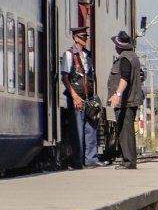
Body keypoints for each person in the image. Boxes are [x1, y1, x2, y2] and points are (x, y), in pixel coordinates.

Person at [61, 25, 100, 168]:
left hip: (89, 98)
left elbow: (91, 77)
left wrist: (94, 97)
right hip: (77, 98)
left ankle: (91, 159)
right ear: (76, 38)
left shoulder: (88, 55)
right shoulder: (69, 55)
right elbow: (65, 78)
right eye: (83, 37)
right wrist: (74, 96)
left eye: (86, 37)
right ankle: (77, 161)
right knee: (77, 130)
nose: (86, 39)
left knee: (91, 129)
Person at [106, 30, 144, 170]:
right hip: (129, 100)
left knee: (125, 131)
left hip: (126, 102)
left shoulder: (124, 59)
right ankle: (128, 160)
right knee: (125, 130)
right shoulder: (132, 56)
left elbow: (124, 79)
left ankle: (129, 162)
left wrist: (117, 94)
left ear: (119, 46)